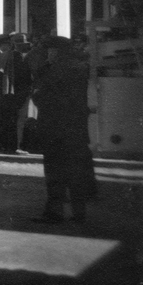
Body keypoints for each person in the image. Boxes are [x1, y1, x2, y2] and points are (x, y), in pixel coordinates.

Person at [30, 35, 92, 223]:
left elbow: (40, 96)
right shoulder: (80, 69)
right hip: (75, 130)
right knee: (76, 172)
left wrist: (39, 96)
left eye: (50, 50)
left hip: (54, 129)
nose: (48, 54)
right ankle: (79, 213)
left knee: (54, 171)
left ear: (57, 52)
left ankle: (54, 212)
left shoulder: (52, 71)